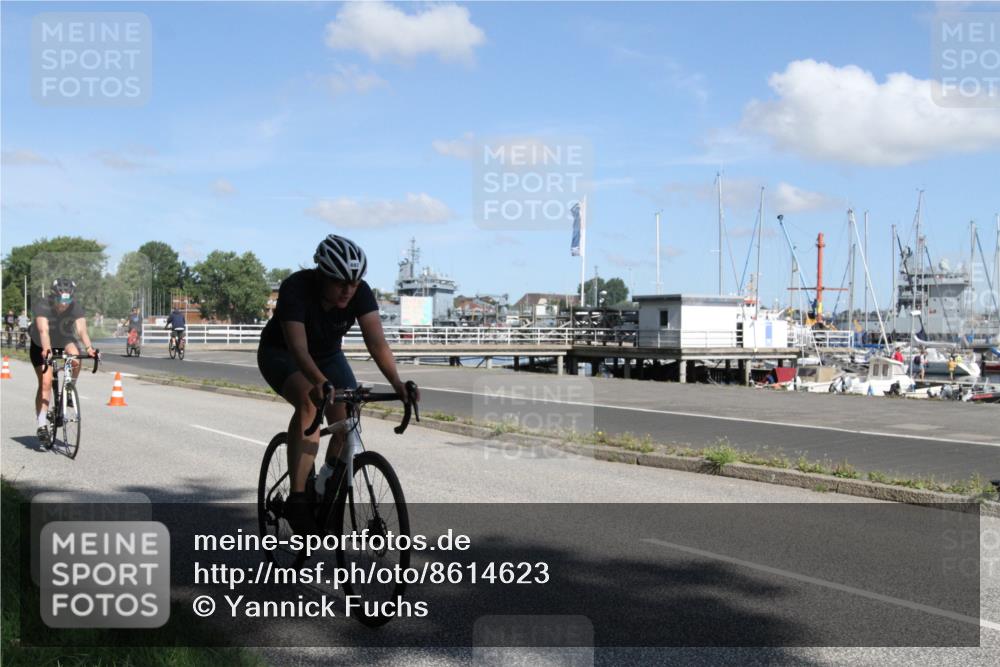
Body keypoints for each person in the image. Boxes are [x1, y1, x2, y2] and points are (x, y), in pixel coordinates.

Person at [257, 234, 419, 535]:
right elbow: (298, 349)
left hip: (328, 354)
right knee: (310, 402)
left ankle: (324, 485)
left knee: (349, 419)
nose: (348, 290)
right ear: (323, 275)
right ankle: (298, 499)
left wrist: (396, 382)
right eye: (340, 282)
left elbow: (376, 341)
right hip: (283, 353)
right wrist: (320, 383)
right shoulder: (297, 288)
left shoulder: (359, 293)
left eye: (354, 283)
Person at [29, 279, 96, 443]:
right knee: (45, 383)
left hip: (63, 337)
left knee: (75, 357)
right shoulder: (43, 305)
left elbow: (81, 330)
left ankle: (70, 387)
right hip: (40, 343)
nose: (64, 305)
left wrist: (89, 348)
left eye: (67, 300)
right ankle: (42, 424)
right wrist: (46, 349)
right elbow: (43, 331)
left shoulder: (75, 306)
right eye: (61, 300)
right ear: (54, 297)